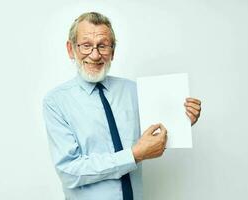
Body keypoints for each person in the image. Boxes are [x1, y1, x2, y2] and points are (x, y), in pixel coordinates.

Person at [43, 12, 201, 200]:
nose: (95, 55)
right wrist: (132, 155)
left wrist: (180, 122)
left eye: (102, 46)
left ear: (113, 51)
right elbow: (70, 172)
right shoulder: (56, 101)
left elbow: (152, 142)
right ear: (71, 49)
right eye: (86, 46)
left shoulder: (133, 90)